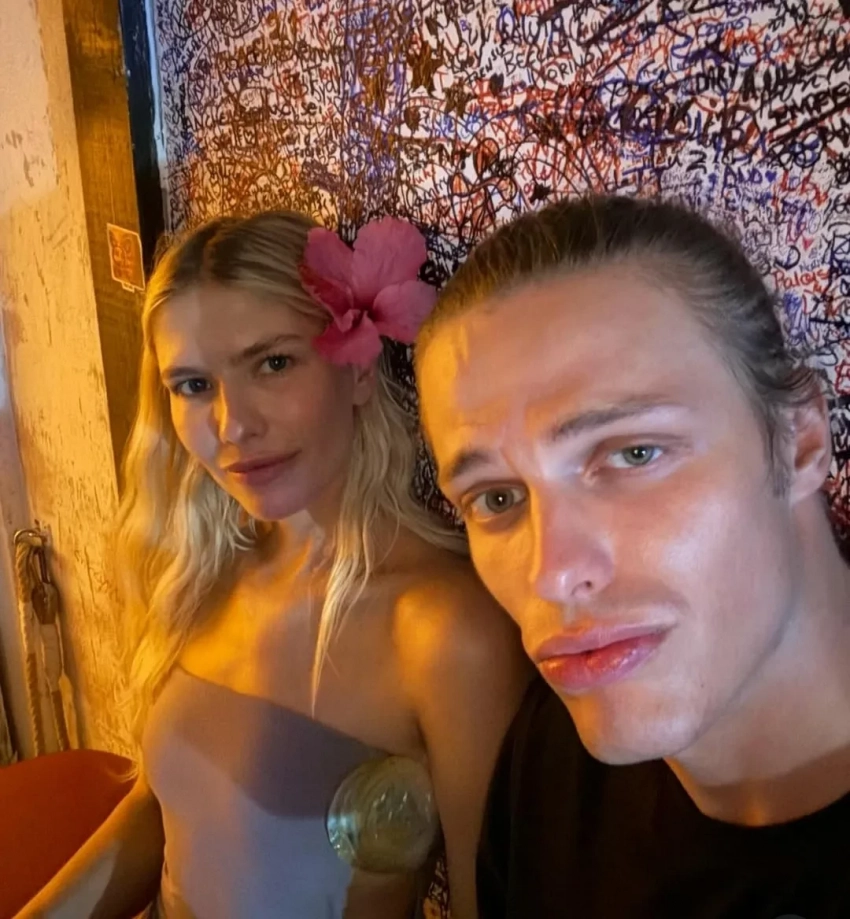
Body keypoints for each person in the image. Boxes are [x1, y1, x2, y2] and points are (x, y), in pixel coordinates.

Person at [19, 211, 529, 919]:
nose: (233, 424)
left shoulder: (446, 631)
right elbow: (164, 808)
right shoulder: (207, 570)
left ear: (357, 369)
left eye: (274, 363)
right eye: (193, 385)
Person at [414, 194, 850, 918]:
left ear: (800, 440)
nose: (552, 574)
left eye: (633, 453)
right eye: (497, 498)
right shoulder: (550, 764)